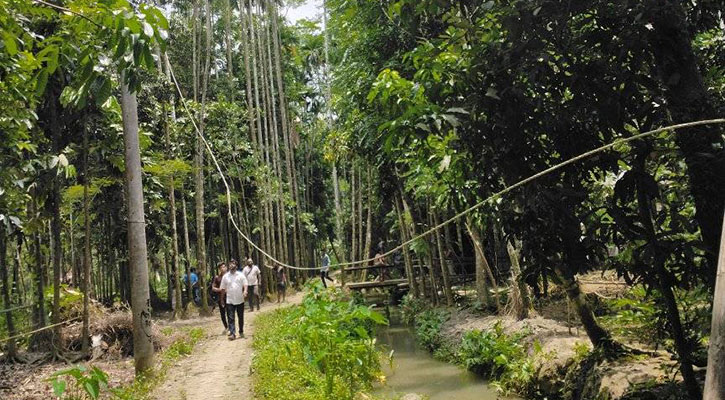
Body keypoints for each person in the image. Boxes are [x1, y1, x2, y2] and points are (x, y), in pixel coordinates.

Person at [220, 260, 248, 340]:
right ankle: (232, 333)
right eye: (230, 264)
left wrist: (245, 291)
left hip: (240, 299)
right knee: (230, 317)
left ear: (236, 266)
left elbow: (245, 284)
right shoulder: (225, 276)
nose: (232, 265)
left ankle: (241, 331)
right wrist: (222, 299)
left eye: (233, 264)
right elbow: (222, 288)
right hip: (230, 300)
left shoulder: (241, 275)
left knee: (240, 316)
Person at [211, 262, 228, 335]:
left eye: (224, 267)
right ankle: (226, 327)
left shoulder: (230, 276)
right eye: (221, 267)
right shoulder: (217, 277)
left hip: (229, 296)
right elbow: (213, 288)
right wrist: (220, 290)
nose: (223, 268)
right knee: (223, 313)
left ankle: (231, 326)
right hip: (220, 297)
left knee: (230, 312)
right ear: (219, 269)